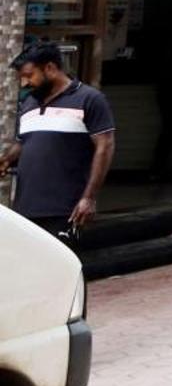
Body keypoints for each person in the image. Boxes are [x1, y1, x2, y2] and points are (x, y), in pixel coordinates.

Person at [2, 43, 116, 240]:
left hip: (65, 209)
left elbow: (104, 148)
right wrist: (6, 159)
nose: (24, 83)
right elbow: (24, 142)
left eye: (29, 75)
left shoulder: (89, 99)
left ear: (50, 68)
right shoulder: (29, 103)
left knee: (59, 269)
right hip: (26, 207)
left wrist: (88, 198)